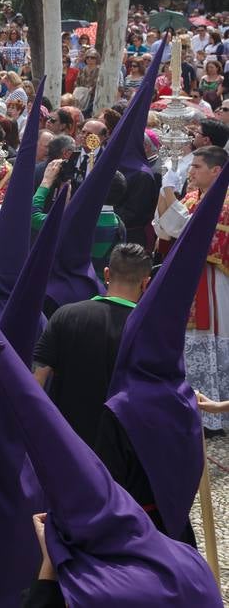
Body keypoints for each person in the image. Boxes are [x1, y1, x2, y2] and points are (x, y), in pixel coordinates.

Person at [33, 244, 152, 448]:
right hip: (122, 449)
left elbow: (36, 378)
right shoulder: (150, 330)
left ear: (107, 274)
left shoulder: (65, 315)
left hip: (67, 443)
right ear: (145, 283)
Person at [154, 144, 229, 430]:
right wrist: (164, 189)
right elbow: (164, 228)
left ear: (216, 171)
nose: (192, 172)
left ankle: (212, 413)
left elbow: (190, 232)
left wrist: (171, 194)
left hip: (212, 280)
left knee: (209, 340)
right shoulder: (193, 196)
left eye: (197, 167)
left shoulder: (224, 202)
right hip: (185, 276)